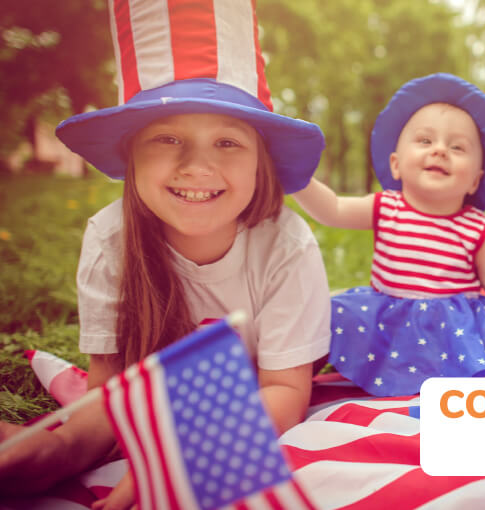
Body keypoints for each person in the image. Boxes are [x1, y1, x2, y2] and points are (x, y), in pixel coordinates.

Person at [0, 0, 330, 505]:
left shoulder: (286, 245)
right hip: (160, 396)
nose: (196, 166)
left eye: (227, 142)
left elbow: (284, 391)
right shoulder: (111, 239)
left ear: (261, 163)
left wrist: (178, 458)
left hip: (252, 396)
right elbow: (109, 391)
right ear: (130, 154)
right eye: (168, 137)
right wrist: (58, 449)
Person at [294, 73, 485, 397]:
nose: (440, 150)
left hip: (451, 330)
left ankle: (484, 403)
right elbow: (332, 210)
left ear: (475, 180)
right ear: (396, 165)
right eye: (425, 141)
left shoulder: (474, 225)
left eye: (457, 147)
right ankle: (291, 377)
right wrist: (298, 179)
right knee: (329, 317)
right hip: (388, 323)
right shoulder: (387, 207)